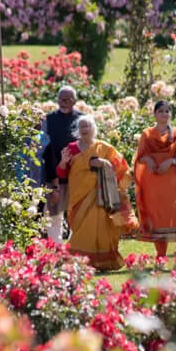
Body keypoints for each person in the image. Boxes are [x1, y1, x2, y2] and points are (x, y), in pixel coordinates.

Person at [56, 115, 138, 270]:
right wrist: (63, 162)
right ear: (77, 130)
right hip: (79, 197)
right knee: (81, 231)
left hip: (101, 195)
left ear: (94, 129)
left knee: (101, 227)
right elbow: (61, 173)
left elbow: (121, 167)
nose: (85, 129)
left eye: (88, 126)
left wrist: (104, 163)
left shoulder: (104, 148)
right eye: (82, 127)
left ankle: (102, 263)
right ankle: (78, 262)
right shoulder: (70, 149)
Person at [133, 100, 176, 258]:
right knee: (155, 214)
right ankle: (161, 254)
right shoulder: (147, 133)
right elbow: (140, 156)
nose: (164, 114)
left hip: (169, 178)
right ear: (155, 114)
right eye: (161, 111)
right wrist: (149, 160)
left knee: (169, 212)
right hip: (152, 178)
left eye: (167, 111)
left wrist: (171, 161)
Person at [42, 86, 82, 243]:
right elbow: (44, 147)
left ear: (74, 101)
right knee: (54, 215)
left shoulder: (81, 119)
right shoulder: (49, 119)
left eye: (67, 99)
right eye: (60, 99)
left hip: (77, 175)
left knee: (77, 215)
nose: (63, 103)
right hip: (54, 175)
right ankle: (56, 250)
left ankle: (77, 247)